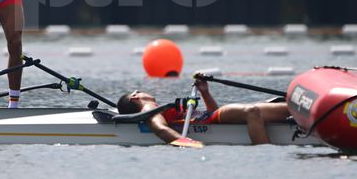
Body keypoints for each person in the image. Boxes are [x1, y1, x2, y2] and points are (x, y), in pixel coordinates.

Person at [116, 75, 291, 147]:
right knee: (251, 111)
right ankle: (267, 152)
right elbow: (160, 128)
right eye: (140, 90)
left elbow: (213, 111)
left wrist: (204, 92)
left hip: (213, 115)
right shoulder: (149, 109)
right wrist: (188, 143)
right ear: (135, 97)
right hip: (210, 121)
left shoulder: (154, 108)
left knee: (289, 108)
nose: (146, 91)